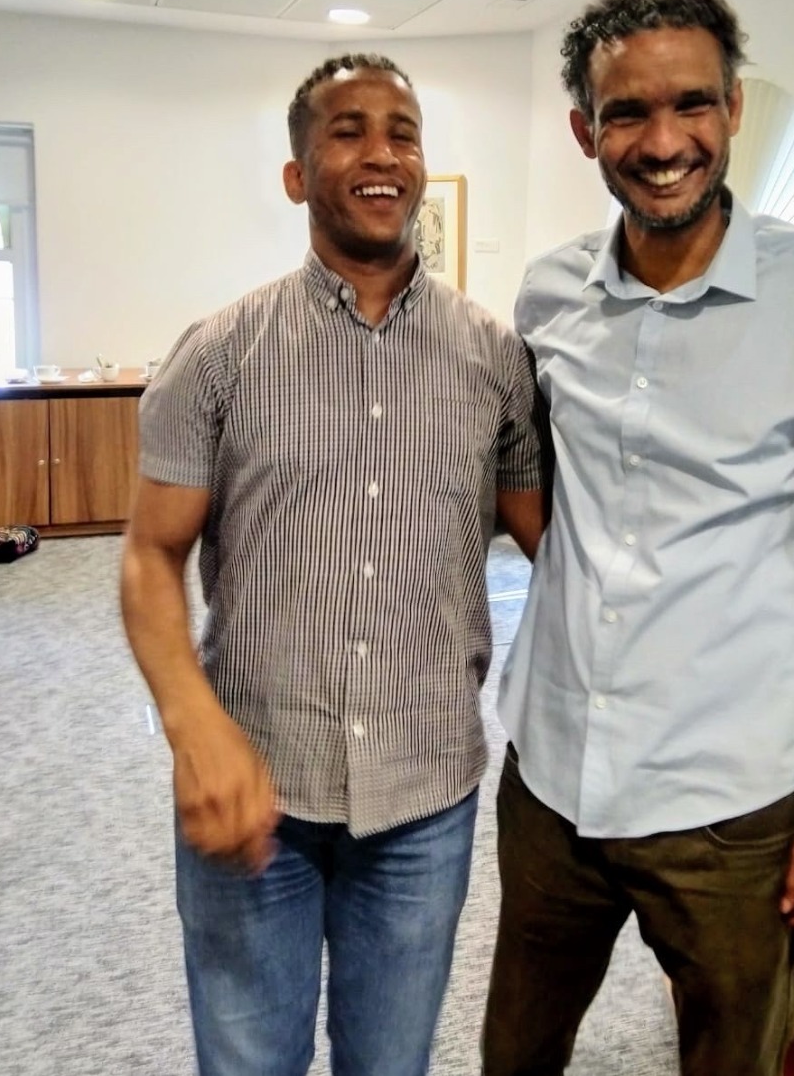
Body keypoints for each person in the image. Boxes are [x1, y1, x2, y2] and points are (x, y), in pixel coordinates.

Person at [481, 0, 794, 1076]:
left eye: (691, 104)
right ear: (584, 130)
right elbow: (531, 485)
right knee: (514, 1054)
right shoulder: (547, 296)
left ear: (733, 108)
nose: (663, 140)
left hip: (732, 807)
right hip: (551, 776)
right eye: (628, 113)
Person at [120, 53, 543, 1076]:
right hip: (255, 779)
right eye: (348, 130)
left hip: (424, 795)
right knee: (248, 1061)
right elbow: (148, 558)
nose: (381, 152)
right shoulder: (218, 353)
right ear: (297, 174)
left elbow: (558, 541)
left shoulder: (494, 358)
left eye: (402, 130)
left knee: (389, 1064)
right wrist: (193, 730)